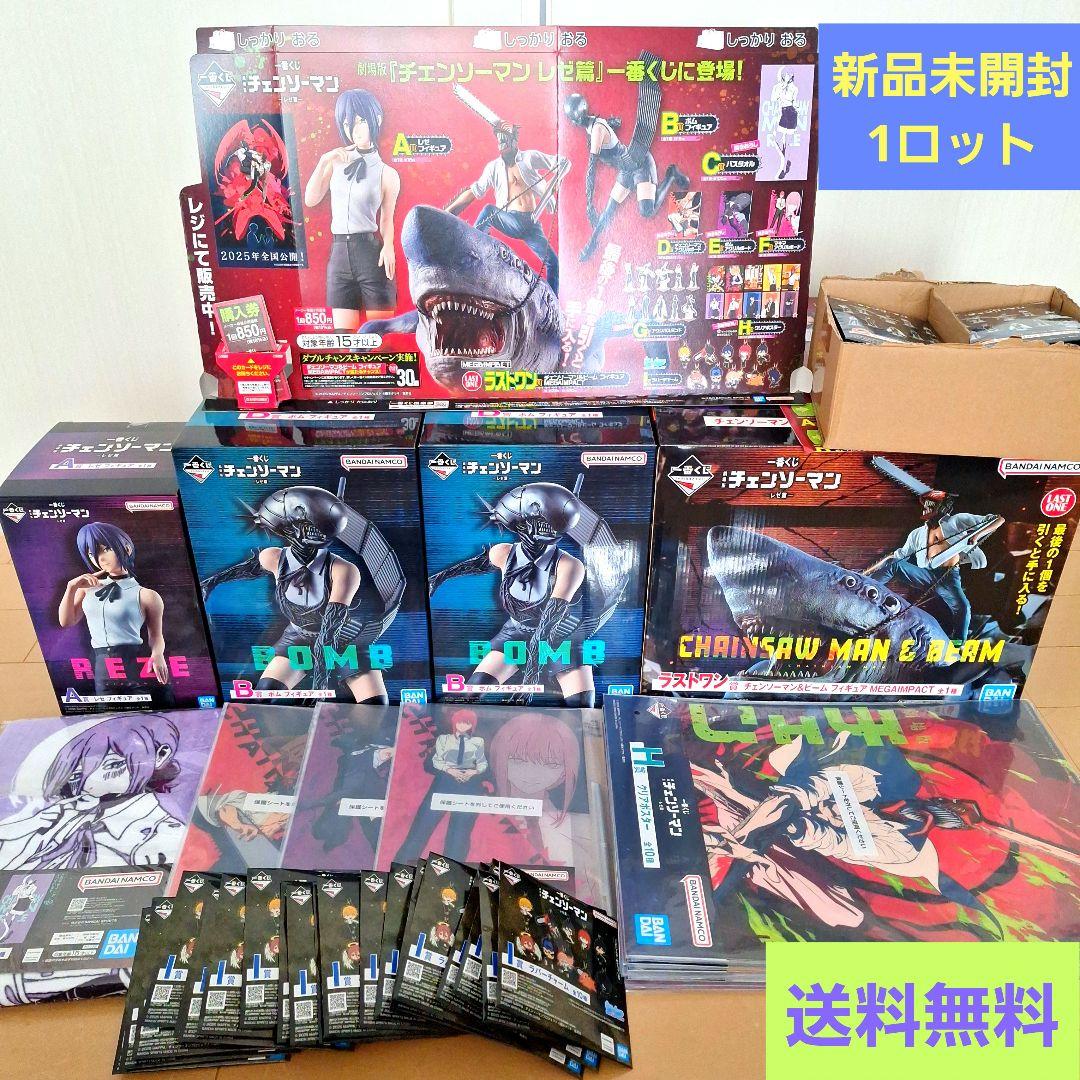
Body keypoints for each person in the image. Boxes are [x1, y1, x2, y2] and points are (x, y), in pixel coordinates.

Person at [200, 483, 403, 704]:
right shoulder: (274, 558)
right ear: (288, 527)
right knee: (265, 695)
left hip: (346, 640)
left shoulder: (343, 570)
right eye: (307, 525)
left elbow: (329, 630)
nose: (317, 532)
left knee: (375, 706)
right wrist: (210, 583)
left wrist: (319, 687)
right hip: (298, 636)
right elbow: (247, 569)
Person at [0, 713, 184, 870]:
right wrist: (22, 829)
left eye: (113, 765)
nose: (89, 784)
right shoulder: (58, 817)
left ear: (160, 756)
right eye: (76, 775)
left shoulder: (162, 832)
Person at [304, 88, 400, 331]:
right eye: (348, 123)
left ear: (376, 120)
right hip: (339, 254)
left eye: (361, 121)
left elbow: (387, 218)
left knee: (380, 336)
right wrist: (323, 161)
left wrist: (389, 246)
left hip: (370, 253)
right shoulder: (335, 162)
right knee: (343, 338)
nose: (355, 130)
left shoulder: (387, 174)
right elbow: (311, 200)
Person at [564, 76, 689, 260]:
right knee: (608, 211)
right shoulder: (592, 125)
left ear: (579, 117)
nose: (574, 124)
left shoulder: (596, 130)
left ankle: (670, 175)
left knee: (646, 211)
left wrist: (589, 203)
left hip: (638, 161)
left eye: (575, 120)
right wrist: (612, 124)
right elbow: (608, 130)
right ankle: (591, 244)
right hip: (625, 169)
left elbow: (591, 169)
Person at [57, 521, 173, 706]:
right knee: (108, 714)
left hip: (133, 662)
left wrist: (158, 654)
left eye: (106, 549)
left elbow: (156, 635)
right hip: (102, 664)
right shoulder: (86, 590)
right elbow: (66, 621)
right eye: (92, 553)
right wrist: (71, 587)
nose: (100, 558)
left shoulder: (146, 595)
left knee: (143, 710)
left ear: (126, 548)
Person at [444, 118, 565, 295]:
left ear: (514, 140)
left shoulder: (530, 157)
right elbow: (474, 192)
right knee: (489, 211)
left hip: (531, 224)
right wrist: (449, 212)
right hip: (510, 220)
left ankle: (552, 302)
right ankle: (472, 251)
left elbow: (563, 162)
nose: (502, 143)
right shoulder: (493, 168)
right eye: (499, 140)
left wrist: (555, 181)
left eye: (505, 138)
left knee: (553, 263)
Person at [867, 491, 1004, 641]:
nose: (926, 508)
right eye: (925, 505)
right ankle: (866, 589)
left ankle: (958, 643)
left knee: (963, 607)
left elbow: (998, 519)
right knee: (893, 564)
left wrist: (977, 535)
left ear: (942, 507)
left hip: (948, 577)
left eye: (930, 505)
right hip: (925, 574)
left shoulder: (957, 521)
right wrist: (876, 567)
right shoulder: (917, 534)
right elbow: (900, 555)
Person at [395, 708, 488, 862]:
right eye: (460, 722)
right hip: (442, 789)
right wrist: (450, 770)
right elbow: (429, 765)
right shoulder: (443, 740)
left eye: (467, 723)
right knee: (420, 831)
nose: (463, 726)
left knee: (458, 838)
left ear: (473, 724)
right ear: (454, 722)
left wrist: (472, 772)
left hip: (469, 792)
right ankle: (401, 867)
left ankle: (452, 872)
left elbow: (485, 767)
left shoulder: (479, 742)